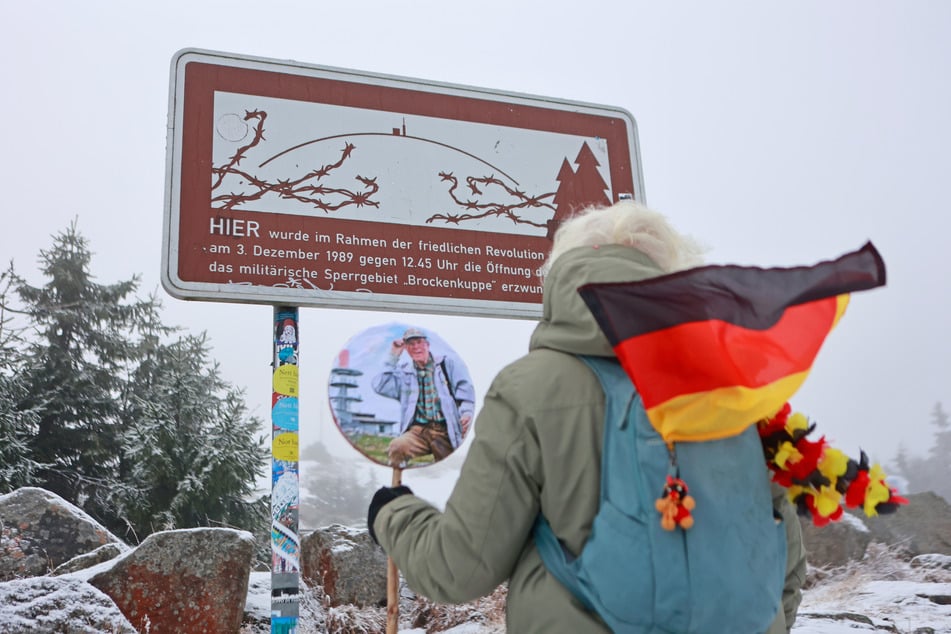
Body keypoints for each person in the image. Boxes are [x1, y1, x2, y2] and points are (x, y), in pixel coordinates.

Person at [367, 201, 807, 633]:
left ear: (563, 277)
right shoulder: (730, 392)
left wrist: (392, 514)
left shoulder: (530, 387)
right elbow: (781, 556)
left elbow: (460, 566)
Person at [371, 327, 475, 467]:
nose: (416, 347)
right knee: (397, 447)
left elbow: (465, 391)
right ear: (406, 349)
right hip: (418, 431)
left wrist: (466, 413)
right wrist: (393, 355)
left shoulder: (446, 364)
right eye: (411, 344)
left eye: (419, 342)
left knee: (449, 467)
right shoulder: (404, 373)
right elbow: (379, 385)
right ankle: (396, 486)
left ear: (427, 344)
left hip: (445, 430)